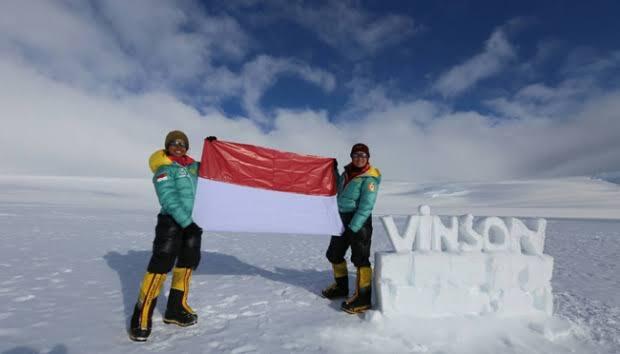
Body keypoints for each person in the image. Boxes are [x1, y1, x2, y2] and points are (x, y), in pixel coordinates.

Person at [129, 131, 216, 342]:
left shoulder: (194, 167)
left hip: (193, 225)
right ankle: (141, 316)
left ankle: (175, 309)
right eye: (174, 143)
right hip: (171, 224)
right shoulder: (164, 169)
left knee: (187, 265)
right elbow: (168, 198)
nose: (178, 146)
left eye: (183, 144)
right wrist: (187, 223)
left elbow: (215, 170)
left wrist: (214, 151)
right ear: (167, 146)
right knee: (160, 267)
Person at [322, 143, 381, 314]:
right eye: (356, 155)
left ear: (368, 158)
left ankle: (363, 298)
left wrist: (353, 227)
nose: (359, 158)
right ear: (351, 157)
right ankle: (341, 288)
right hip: (342, 219)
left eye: (363, 155)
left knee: (360, 259)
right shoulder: (347, 173)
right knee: (334, 254)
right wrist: (332, 170)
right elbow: (337, 187)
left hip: (359, 221)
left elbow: (366, 206)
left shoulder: (369, 179)